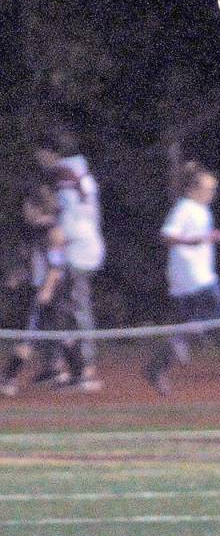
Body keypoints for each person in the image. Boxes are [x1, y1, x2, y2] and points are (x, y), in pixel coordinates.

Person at [144, 161, 220, 395]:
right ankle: (180, 342)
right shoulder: (185, 208)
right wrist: (190, 242)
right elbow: (167, 235)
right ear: (193, 189)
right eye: (208, 189)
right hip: (192, 274)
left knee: (187, 328)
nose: (212, 194)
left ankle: (156, 368)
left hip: (192, 275)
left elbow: (205, 235)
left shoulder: (200, 210)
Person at [31, 127, 105, 391]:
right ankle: (56, 365)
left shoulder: (62, 173)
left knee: (73, 308)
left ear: (50, 153)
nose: (38, 159)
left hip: (77, 249)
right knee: (60, 308)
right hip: (80, 246)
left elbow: (65, 214)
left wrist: (50, 223)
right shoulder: (79, 173)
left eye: (40, 153)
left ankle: (84, 368)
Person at [1, 183, 85, 397]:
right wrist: (19, 277)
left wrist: (47, 289)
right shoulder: (34, 232)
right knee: (61, 333)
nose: (24, 211)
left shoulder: (52, 231)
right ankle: (76, 374)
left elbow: (56, 265)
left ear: (36, 207)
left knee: (37, 333)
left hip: (54, 292)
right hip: (44, 289)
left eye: (27, 207)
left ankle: (8, 378)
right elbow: (35, 263)